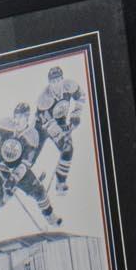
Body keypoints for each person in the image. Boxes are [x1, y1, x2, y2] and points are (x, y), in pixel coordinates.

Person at [0, 105, 62, 245]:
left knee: (39, 192)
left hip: (19, 171)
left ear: (27, 117)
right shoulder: (6, 124)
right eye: (16, 116)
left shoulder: (32, 135)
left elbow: (25, 163)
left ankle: (50, 216)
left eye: (20, 117)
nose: (17, 120)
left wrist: (14, 178)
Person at [34, 67, 84, 195]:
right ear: (49, 83)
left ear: (62, 79)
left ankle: (61, 182)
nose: (56, 84)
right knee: (33, 153)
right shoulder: (44, 98)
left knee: (68, 149)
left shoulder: (69, 85)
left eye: (58, 80)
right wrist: (61, 134)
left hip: (60, 121)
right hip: (42, 126)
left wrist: (76, 115)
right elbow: (47, 123)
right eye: (53, 81)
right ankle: (28, 180)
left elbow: (81, 96)